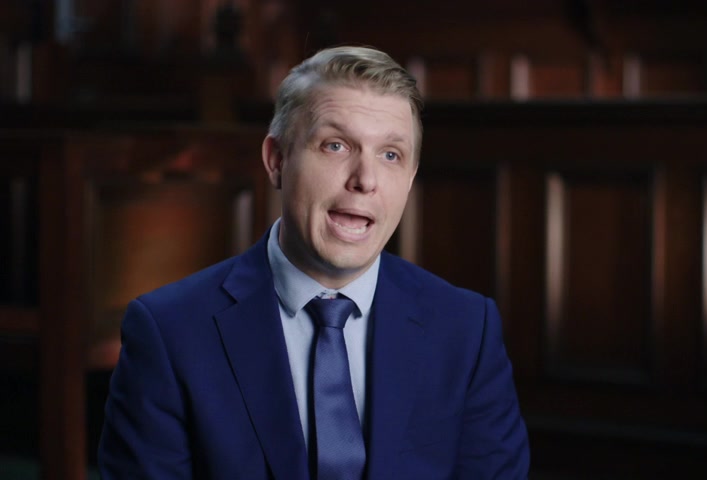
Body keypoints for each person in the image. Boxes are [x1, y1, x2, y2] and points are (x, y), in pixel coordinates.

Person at [98, 45, 530, 479]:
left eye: (390, 155)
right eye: (335, 145)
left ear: (411, 177)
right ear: (276, 160)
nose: (365, 179)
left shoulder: (466, 329)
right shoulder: (169, 332)